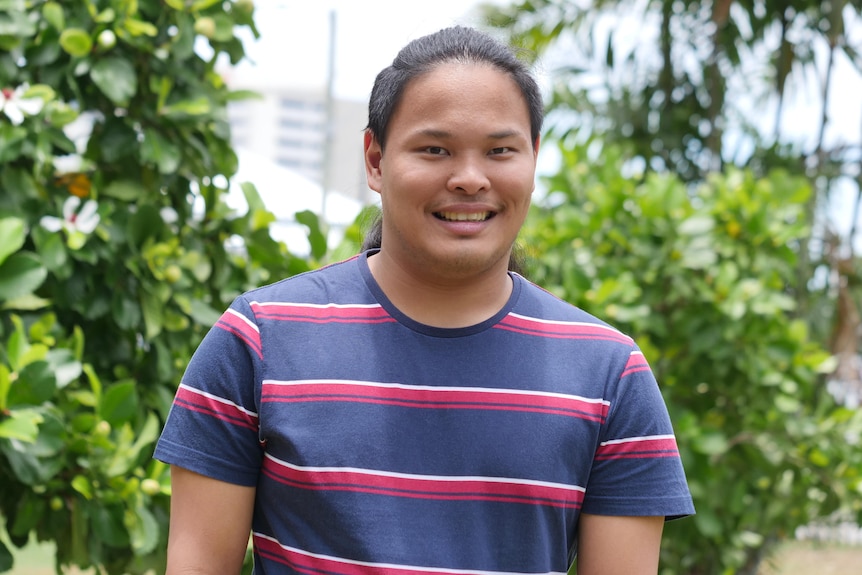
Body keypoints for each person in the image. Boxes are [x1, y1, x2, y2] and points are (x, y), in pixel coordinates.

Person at [154, 25, 694, 575]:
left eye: (500, 150)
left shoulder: (610, 374)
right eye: (434, 149)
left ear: (533, 159)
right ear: (375, 159)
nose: (468, 178)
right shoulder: (258, 340)